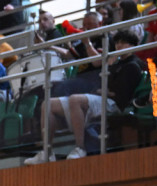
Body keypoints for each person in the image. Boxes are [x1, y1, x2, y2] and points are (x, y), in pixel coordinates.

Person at [24, 30, 143, 164]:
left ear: (133, 46)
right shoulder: (115, 62)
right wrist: (107, 72)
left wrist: (105, 80)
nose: (119, 46)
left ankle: (80, 148)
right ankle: (47, 151)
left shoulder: (133, 65)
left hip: (112, 104)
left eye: (123, 43)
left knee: (75, 99)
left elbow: (120, 96)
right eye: (117, 43)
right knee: (48, 104)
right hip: (98, 97)